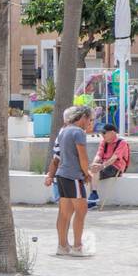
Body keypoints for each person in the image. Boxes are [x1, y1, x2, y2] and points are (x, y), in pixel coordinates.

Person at [45, 104, 94, 257]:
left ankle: (62, 246)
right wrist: (87, 172)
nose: (89, 123)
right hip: (73, 176)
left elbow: (58, 157)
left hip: (61, 176)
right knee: (81, 211)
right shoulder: (78, 132)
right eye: (89, 119)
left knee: (64, 213)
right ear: (83, 117)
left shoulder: (63, 131)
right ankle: (78, 246)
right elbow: (82, 156)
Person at [89, 123, 129, 209]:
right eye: (101, 133)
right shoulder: (103, 142)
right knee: (91, 172)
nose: (102, 135)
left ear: (113, 132)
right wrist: (94, 163)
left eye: (104, 133)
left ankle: (93, 197)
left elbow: (114, 158)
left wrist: (101, 166)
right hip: (104, 165)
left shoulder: (122, 143)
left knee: (95, 171)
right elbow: (99, 155)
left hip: (116, 167)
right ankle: (93, 196)